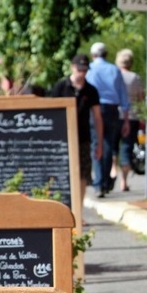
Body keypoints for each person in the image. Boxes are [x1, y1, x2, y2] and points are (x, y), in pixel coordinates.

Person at [49, 53, 103, 199]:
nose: (82, 73)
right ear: (72, 67)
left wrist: (99, 143)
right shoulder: (61, 87)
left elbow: (98, 117)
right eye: (79, 70)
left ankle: (78, 209)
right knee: (62, 174)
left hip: (83, 138)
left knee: (83, 175)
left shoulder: (91, 90)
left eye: (85, 70)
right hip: (62, 139)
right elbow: (50, 113)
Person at [87, 41, 129, 197]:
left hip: (95, 109)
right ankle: (104, 182)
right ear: (106, 54)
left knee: (97, 144)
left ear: (93, 55)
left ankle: (99, 183)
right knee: (108, 145)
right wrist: (126, 119)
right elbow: (123, 95)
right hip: (112, 110)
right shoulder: (114, 69)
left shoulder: (90, 69)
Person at [114, 48, 144, 191]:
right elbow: (141, 98)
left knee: (113, 146)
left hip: (115, 115)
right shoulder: (135, 78)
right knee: (126, 148)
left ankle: (112, 170)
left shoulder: (114, 76)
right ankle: (123, 182)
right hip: (132, 117)